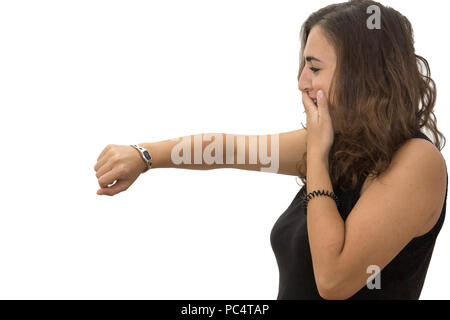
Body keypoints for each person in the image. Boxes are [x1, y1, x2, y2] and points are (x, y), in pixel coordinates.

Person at [93, 0, 447, 300]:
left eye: (314, 67)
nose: (301, 83)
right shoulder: (342, 145)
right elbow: (227, 150)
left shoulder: (417, 162)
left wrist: (318, 158)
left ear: (362, 74)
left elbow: (334, 280)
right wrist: (145, 156)